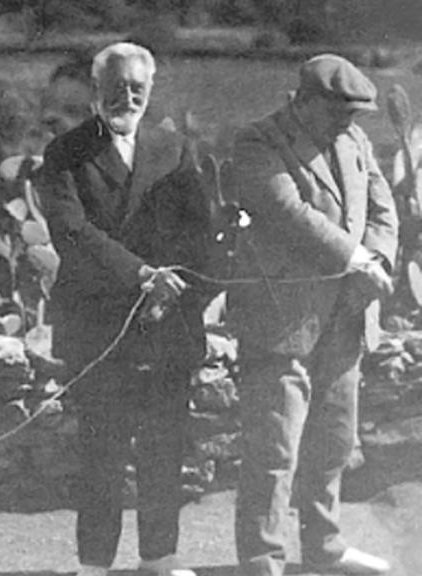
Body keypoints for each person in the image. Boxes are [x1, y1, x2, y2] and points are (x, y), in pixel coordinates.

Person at [35, 42, 208, 576]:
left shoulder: (175, 149)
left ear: (150, 91)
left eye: (137, 87)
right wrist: (142, 276)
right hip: (98, 332)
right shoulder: (64, 153)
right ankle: (95, 566)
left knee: (163, 454)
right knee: (102, 460)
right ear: (95, 91)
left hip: (168, 329)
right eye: (115, 87)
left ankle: (159, 560)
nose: (126, 97)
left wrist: (175, 289)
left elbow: (198, 231)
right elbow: (72, 233)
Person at [228, 54, 398, 576]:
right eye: (338, 114)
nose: (347, 126)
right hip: (282, 321)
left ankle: (324, 548)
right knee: (274, 451)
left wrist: (380, 258)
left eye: (354, 117)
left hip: (345, 318)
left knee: (333, 443)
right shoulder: (259, 141)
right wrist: (357, 259)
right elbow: (285, 211)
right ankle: (262, 560)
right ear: (303, 101)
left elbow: (382, 207)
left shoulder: (355, 141)